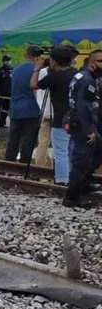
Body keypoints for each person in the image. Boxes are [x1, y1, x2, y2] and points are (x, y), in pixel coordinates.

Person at [64, 49, 102, 208]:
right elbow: (83, 106)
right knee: (81, 162)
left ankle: (84, 183)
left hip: (79, 123)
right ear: (93, 64)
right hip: (82, 126)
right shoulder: (88, 81)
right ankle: (72, 198)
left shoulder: (80, 75)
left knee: (97, 152)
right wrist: (89, 131)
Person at [35, 47, 78, 184]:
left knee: (59, 151)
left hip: (59, 118)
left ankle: (61, 180)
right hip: (76, 118)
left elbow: (33, 85)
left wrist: (37, 69)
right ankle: (73, 177)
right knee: (73, 150)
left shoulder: (53, 76)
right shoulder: (76, 74)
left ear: (53, 61)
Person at [5, 46, 42, 163]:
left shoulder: (16, 70)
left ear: (26, 55)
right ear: (38, 57)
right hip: (32, 108)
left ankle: (9, 161)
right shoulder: (38, 71)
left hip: (16, 107)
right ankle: (24, 163)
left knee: (14, 138)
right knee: (29, 138)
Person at [0, 55, 13, 128]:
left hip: (8, 93)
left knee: (5, 109)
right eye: (7, 60)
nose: (8, 62)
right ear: (3, 61)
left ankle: (2, 123)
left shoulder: (12, 70)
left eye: (9, 60)